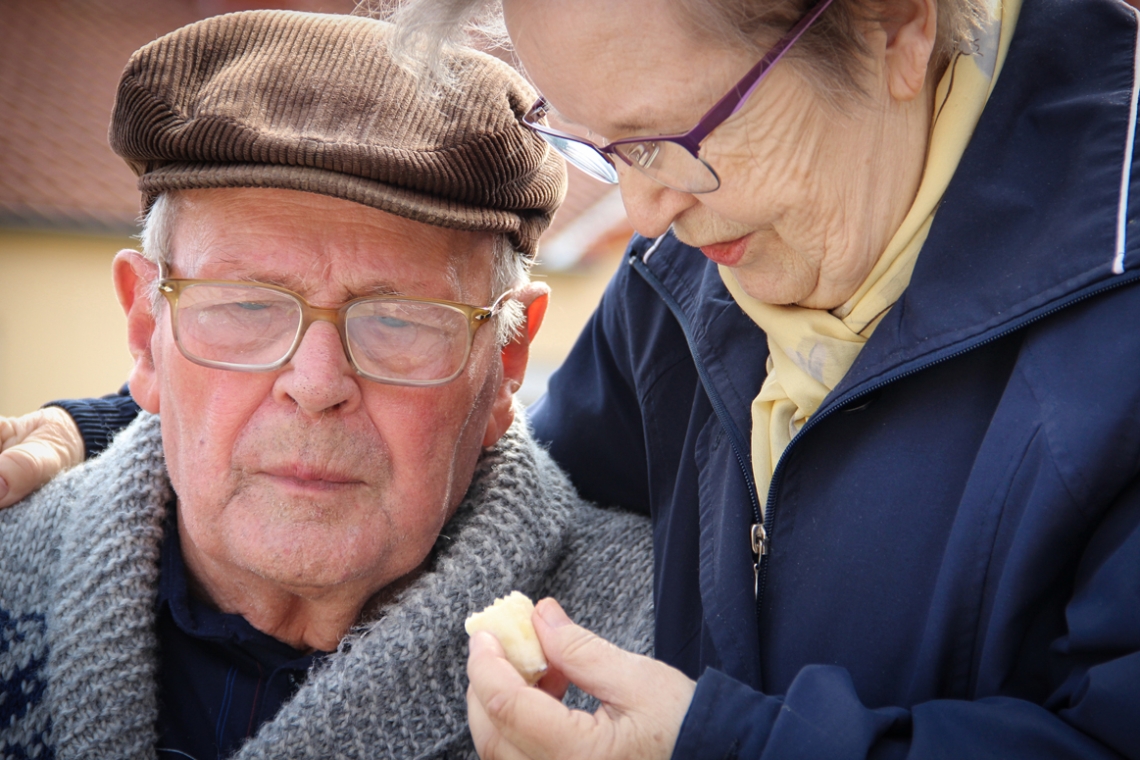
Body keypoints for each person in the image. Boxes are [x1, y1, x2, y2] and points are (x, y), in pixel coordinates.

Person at [5, 0, 1140, 757]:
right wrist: (104, 434)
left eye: (672, 137)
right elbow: (472, 450)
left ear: (897, 24)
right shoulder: (686, 279)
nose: (640, 219)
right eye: (603, 148)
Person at [0, 10, 654, 760]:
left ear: (506, 360)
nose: (315, 385)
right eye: (247, 305)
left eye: (400, 320)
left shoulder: (653, 649)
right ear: (148, 333)